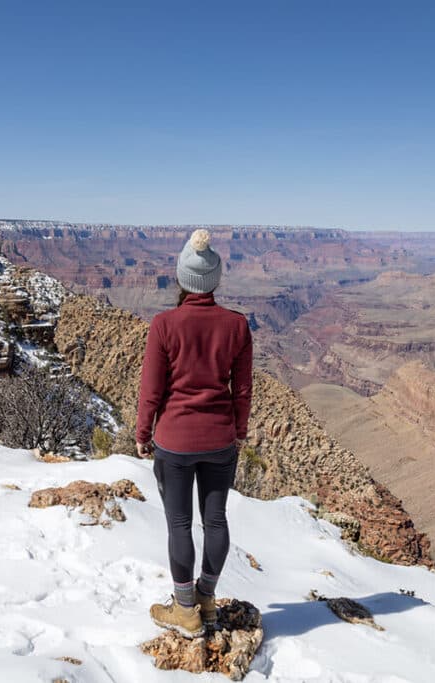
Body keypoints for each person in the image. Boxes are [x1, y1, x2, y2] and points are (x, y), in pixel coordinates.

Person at [135, 228, 253, 638]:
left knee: (180, 525)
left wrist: (142, 432)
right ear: (215, 280)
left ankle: (185, 611)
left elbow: (151, 388)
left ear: (182, 279)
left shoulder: (164, 324)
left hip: (175, 442)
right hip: (221, 439)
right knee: (216, 522)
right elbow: (242, 388)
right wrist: (239, 430)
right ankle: (206, 598)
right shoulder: (236, 325)